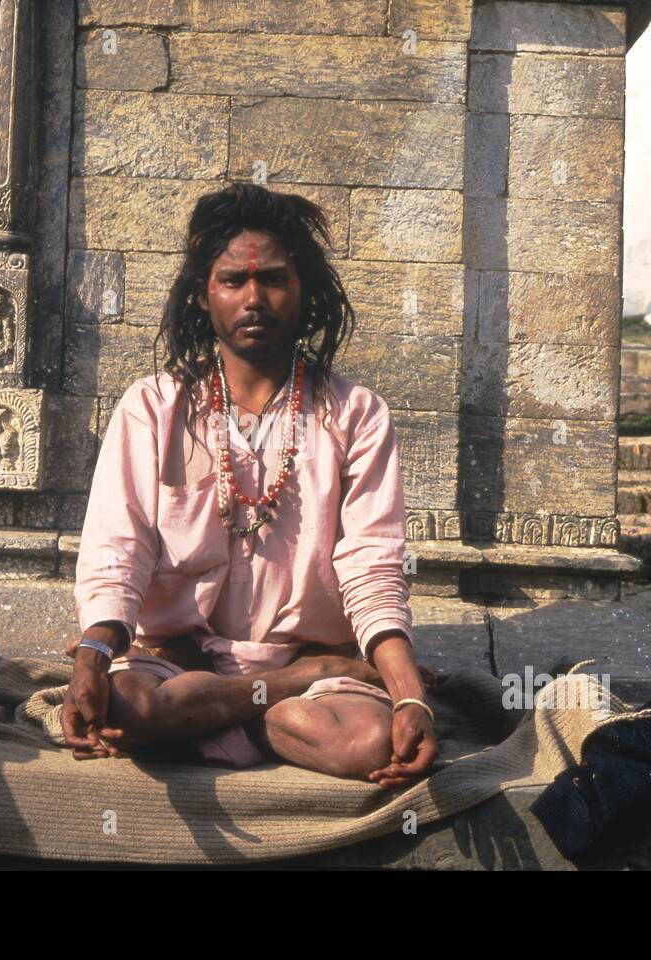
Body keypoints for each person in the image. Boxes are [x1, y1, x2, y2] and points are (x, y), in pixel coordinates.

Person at [63, 183, 438, 787]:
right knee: (127, 709)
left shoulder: (356, 413)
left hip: (310, 665)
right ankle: (265, 703)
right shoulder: (153, 407)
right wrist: (94, 655)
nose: (254, 298)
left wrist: (409, 694)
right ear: (202, 295)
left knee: (369, 743)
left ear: (304, 290)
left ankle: (214, 715)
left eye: (275, 280)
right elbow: (118, 552)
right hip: (176, 662)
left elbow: (373, 566)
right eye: (233, 280)